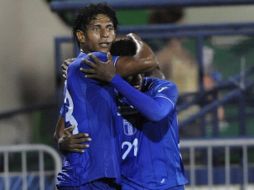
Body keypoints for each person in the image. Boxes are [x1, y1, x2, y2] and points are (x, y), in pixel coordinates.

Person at [55, 3, 158, 190]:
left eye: (110, 28)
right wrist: (132, 37)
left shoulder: (78, 72)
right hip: (89, 176)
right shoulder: (94, 63)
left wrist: (63, 141)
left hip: (92, 175)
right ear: (81, 36)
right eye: (97, 28)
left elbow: (59, 131)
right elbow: (148, 61)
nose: (105, 34)